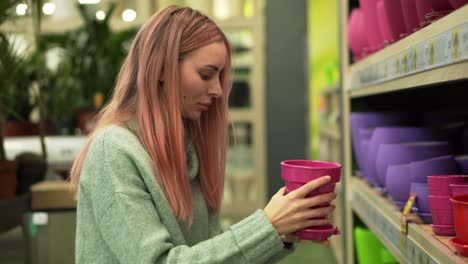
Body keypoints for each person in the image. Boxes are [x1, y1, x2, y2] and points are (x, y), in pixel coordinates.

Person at [70, 5, 337, 264]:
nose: (219, 91)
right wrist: (267, 224)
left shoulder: (186, 152)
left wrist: (281, 233)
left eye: (220, 77)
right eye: (206, 74)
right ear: (162, 68)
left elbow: (209, 250)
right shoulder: (113, 151)